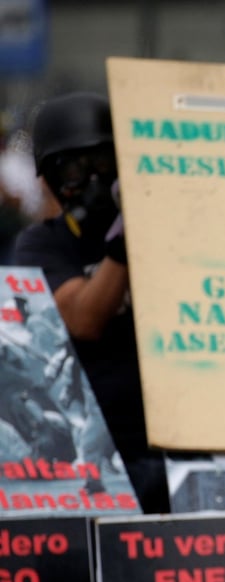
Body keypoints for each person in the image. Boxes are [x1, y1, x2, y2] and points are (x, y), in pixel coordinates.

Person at [12, 91, 169, 513]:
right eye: (75, 168)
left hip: (174, 443)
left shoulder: (166, 233)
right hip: (102, 454)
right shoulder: (41, 247)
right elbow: (83, 319)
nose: (94, 180)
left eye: (103, 162)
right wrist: (123, 247)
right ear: (49, 178)